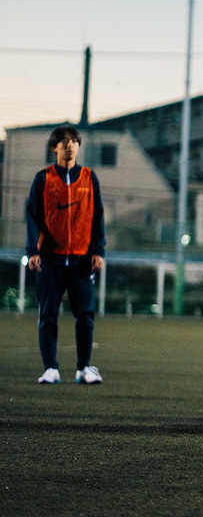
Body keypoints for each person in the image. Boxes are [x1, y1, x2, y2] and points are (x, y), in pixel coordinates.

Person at [26, 125, 106, 385]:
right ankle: (51, 368)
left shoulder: (89, 178)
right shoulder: (43, 179)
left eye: (74, 141)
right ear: (54, 147)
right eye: (64, 141)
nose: (69, 145)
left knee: (85, 316)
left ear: (78, 146)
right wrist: (32, 251)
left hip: (82, 260)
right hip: (50, 260)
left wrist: (99, 251)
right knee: (48, 314)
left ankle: (84, 368)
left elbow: (98, 216)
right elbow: (32, 217)